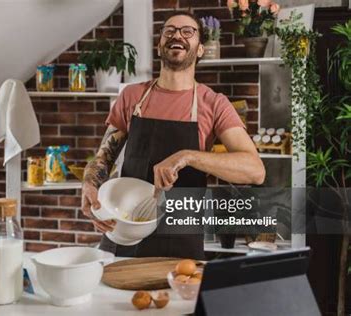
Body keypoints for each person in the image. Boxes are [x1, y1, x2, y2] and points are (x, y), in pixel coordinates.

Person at [81, 11, 266, 259]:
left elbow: (255, 170)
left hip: (181, 235)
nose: (177, 35)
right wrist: (90, 184)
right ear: (159, 45)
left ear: (200, 49)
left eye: (187, 31)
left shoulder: (214, 104)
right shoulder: (132, 96)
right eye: (169, 31)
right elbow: (105, 155)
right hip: (126, 228)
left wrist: (187, 156)